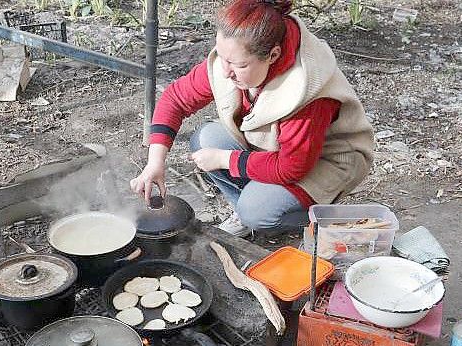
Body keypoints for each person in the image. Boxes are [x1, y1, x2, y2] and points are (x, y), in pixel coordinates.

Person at [130, 0, 374, 237]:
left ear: (273, 55)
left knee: (256, 210)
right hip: (281, 148)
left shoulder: (305, 89)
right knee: (207, 138)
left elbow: (290, 168)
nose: (225, 71)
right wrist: (155, 163)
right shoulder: (241, 48)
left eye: (238, 65)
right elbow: (176, 99)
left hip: (327, 159)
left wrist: (226, 159)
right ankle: (249, 208)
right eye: (223, 59)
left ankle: (324, 218)